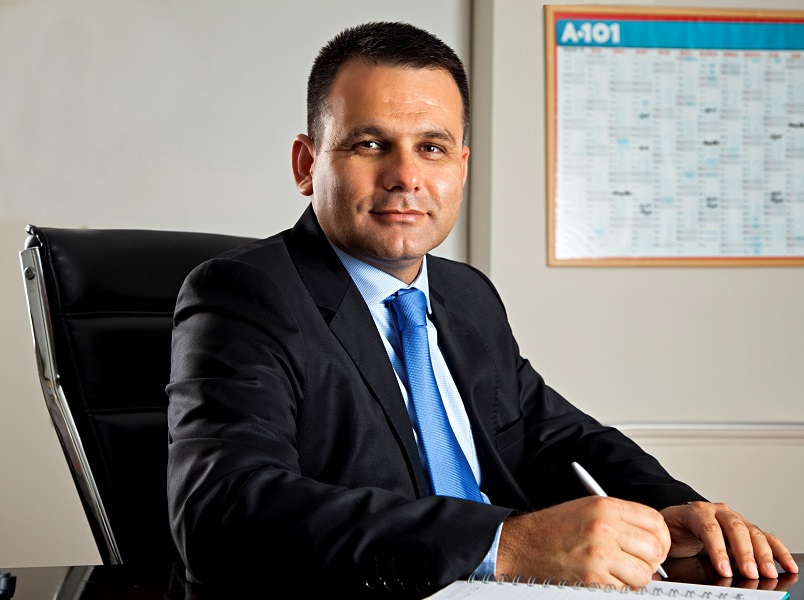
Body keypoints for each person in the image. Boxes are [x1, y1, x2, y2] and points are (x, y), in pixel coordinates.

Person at [166, 21, 797, 598]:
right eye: (370, 144)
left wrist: (672, 510)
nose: (405, 176)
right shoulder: (243, 294)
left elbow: (558, 437)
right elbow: (218, 511)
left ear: (461, 167)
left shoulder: (467, 295)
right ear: (307, 166)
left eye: (432, 147)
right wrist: (504, 545)